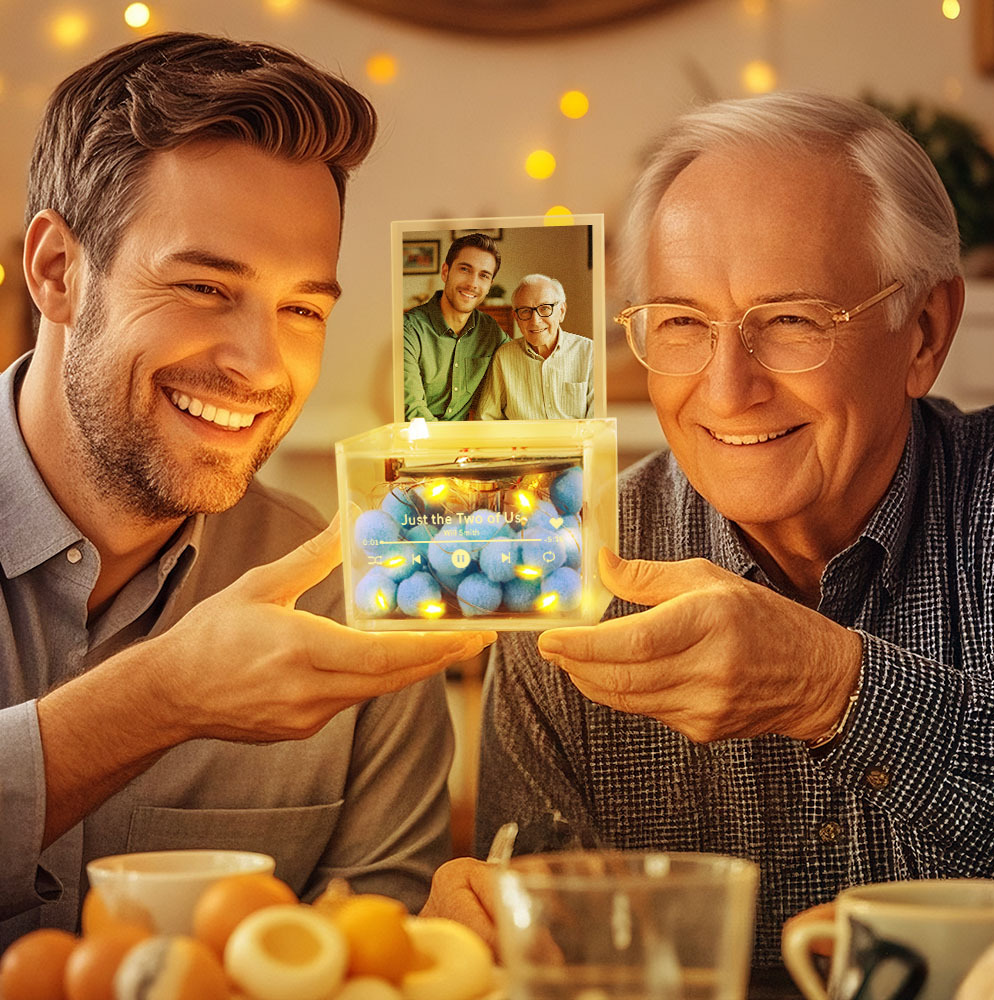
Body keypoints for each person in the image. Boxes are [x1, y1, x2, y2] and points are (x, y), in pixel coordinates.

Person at [432, 92, 994, 971]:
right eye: (682, 324)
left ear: (924, 332)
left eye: (793, 320)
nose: (729, 390)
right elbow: (555, 957)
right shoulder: (563, 561)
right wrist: (492, 938)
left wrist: (836, 690)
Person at [0, 33, 495, 949]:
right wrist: (162, 698)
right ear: (57, 270)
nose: (262, 367)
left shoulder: (356, 595)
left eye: (302, 308)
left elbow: (373, 955)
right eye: (203, 287)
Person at [402, 233, 508, 421]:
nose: (473, 283)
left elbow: (520, 361)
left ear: (489, 285)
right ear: (445, 272)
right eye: (465, 269)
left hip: (466, 437)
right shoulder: (409, 329)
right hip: (421, 437)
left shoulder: (490, 331)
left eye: (484, 275)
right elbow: (414, 412)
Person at [477, 274, 594, 420]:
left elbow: (599, 422)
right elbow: (487, 418)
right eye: (525, 311)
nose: (535, 321)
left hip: (577, 436)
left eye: (545, 308)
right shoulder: (504, 357)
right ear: (516, 317)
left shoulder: (589, 352)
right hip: (520, 436)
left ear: (561, 311)